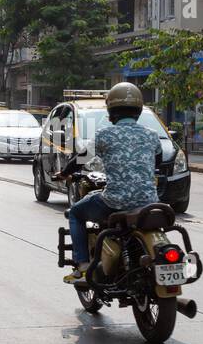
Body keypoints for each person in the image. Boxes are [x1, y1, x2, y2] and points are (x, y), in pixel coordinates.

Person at [64, 83, 160, 284]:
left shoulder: (105, 135)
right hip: (150, 203)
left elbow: (80, 159)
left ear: (111, 112)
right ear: (139, 110)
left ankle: (81, 265)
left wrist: (63, 173)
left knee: (75, 213)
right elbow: (157, 163)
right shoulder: (152, 135)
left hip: (115, 202)